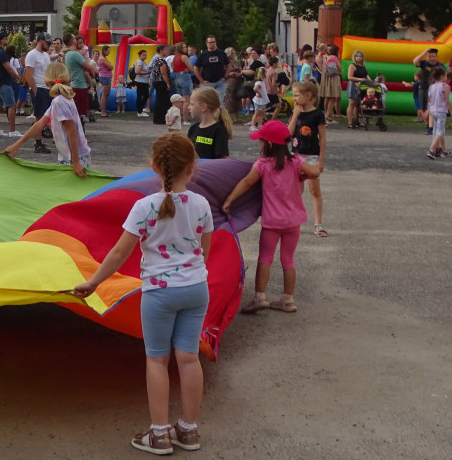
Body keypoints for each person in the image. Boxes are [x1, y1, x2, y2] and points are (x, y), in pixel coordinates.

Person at [72, 133, 211, 454]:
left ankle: (159, 434)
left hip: (160, 294)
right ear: (192, 168)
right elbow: (205, 247)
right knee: (189, 359)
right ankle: (188, 431)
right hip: (196, 289)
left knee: (157, 360)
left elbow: (120, 253)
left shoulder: (143, 207)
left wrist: (93, 282)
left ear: (153, 167)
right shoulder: (201, 204)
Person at [223, 120, 321, 314]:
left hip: (272, 222)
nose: (259, 144)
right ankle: (288, 300)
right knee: (288, 259)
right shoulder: (294, 162)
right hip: (293, 222)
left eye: (260, 141)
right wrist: (302, 176)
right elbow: (315, 172)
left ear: (267, 144)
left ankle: (260, 297)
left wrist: (229, 200)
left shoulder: (263, 164)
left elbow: (246, 182)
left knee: (265, 258)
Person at [2, 62, 90, 177]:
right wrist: (17, 144)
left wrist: (76, 162)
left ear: (46, 82)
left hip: (74, 157)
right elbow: (39, 124)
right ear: (68, 80)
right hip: (73, 156)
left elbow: (71, 131)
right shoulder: (61, 100)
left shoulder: (59, 102)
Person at [288, 80, 328, 236]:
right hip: (296, 156)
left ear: (308, 95)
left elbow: (322, 138)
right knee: (296, 190)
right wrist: (295, 114)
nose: (294, 98)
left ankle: (318, 223)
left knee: (314, 190)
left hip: (311, 156)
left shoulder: (317, 114)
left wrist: (321, 160)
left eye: (297, 95)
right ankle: (295, 220)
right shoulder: (295, 112)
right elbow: (287, 134)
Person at [23, 33, 54, 153]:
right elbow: (28, 74)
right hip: (39, 88)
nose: (49, 45)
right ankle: (38, 143)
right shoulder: (32, 55)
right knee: (40, 117)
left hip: (46, 88)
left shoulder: (46, 56)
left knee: (45, 117)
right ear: (41, 41)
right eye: (48, 43)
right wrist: (35, 90)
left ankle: (38, 140)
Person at [0, 31, 22, 139]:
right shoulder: (2, 53)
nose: (7, 40)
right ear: (2, 40)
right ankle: (12, 130)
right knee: (11, 106)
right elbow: (8, 68)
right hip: (4, 82)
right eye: (5, 38)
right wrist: (18, 78)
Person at [187, 85, 232, 159]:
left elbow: (223, 158)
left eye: (192, 104)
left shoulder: (218, 130)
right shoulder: (193, 128)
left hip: (210, 169)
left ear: (203, 107)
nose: (189, 107)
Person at [65, 34, 98, 123]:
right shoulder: (75, 54)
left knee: (77, 111)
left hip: (75, 83)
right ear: (72, 41)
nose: (76, 40)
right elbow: (89, 67)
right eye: (74, 38)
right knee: (79, 112)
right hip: (80, 86)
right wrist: (96, 71)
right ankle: (78, 133)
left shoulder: (68, 54)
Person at [426, 67, 452, 160]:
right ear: (442, 76)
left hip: (433, 110)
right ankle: (432, 149)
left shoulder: (431, 86)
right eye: (446, 75)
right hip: (441, 111)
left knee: (436, 130)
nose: (447, 77)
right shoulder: (445, 86)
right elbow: (447, 100)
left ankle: (441, 150)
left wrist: (429, 109)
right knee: (440, 131)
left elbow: (429, 99)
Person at [194, 35, 227, 100]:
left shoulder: (221, 53)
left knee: (219, 102)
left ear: (216, 42)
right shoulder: (202, 55)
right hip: (207, 83)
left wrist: (225, 77)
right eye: (210, 42)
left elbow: (228, 65)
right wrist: (202, 80)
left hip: (220, 82)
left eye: (213, 42)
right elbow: (196, 68)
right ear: (207, 44)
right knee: (208, 102)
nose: (212, 44)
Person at [170, 43, 195, 123]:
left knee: (179, 99)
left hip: (177, 77)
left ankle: (178, 117)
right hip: (185, 77)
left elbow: (173, 68)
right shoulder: (184, 57)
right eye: (184, 47)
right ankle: (185, 119)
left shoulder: (175, 58)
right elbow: (191, 68)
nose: (186, 48)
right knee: (186, 100)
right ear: (180, 49)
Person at [346, 49, 370, 129]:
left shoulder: (363, 66)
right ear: (354, 57)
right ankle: (349, 122)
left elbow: (366, 75)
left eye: (360, 56)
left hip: (362, 86)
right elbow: (349, 77)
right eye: (357, 56)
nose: (358, 58)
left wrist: (372, 82)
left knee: (358, 105)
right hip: (353, 85)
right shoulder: (352, 66)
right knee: (352, 103)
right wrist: (360, 79)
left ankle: (356, 121)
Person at [148, 44, 172, 125]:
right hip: (161, 82)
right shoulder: (162, 61)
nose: (167, 51)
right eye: (165, 50)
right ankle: (161, 118)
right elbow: (163, 73)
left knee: (159, 100)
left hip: (156, 81)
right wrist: (168, 83)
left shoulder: (156, 60)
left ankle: (157, 118)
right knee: (163, 101)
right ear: (161, 50)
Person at [321, 45, 342, 123]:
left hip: (326, 77)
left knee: (327, 97)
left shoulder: (324, 57)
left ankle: (326, 114)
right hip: (333, 77)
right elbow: (339, 67)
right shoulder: (334, 58)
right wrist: (339, 71)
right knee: (333, 97)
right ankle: (327, 116)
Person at [132, 49, 151, 117]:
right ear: (140, 55)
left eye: (145, 55)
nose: (145, 56)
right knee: (142, 96)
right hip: (140, 81)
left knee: (145, 95)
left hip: (144, 81)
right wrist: (147, 72)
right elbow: (137, 71)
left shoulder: (142, 62)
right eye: (143, 55)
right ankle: (139, 111)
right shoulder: (140, 62)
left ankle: (140, 109)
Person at [96, 45, 114, 117]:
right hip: (105, 77)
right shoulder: (102, 58)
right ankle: (103, 111)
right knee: (104, 94)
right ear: (104, 51)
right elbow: (110, 66)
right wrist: (110, 67)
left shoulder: (103, 58)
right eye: (108, 51)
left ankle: (103, 110)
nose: (109, 52)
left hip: (106, 76)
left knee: (106, 94)